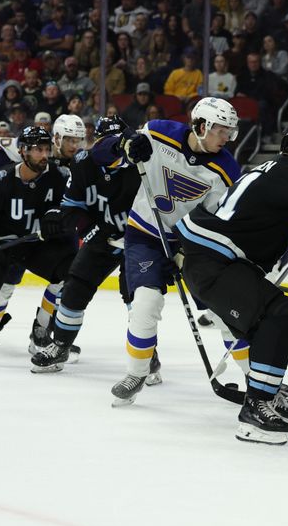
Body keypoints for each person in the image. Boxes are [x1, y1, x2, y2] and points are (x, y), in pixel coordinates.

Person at [175, 125, 288, 445]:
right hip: (218, 264)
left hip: (210, 260)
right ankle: (255, 406)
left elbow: (269, 221)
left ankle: (268, 390)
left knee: (265, 324)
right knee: (282, 314)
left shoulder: (268, 170)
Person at [103, 98, 242, 405]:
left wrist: (191, 244)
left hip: (190, 243)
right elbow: (103, 155)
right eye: (222, 131)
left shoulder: (228, 169)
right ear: (202, 126)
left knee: (226, 310)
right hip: (145, 234)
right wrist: (124, 146)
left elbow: (216, 220)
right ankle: (137, 372)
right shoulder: (159, 132)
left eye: (231, 132)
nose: (227, 139)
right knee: (145, 302)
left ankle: (258, 380)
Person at [30, 116, 144, 374]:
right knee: (74, 287)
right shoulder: (83, 163)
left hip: (138, 238)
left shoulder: (141, 166)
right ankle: (60, 345)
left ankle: (147, 358)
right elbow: (73, 206)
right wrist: (64, 220)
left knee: (138, 301)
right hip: (103, 236)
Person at [0, 115, 88, 351]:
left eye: (79, 140)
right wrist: (5, 177)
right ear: (58, 138)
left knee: (65, 280)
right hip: (23, 230)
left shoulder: (83, 162)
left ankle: (43, 329)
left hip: (59, 231)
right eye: (70, 139)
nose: (75, 145)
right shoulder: (40, 151)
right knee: (4, 282)